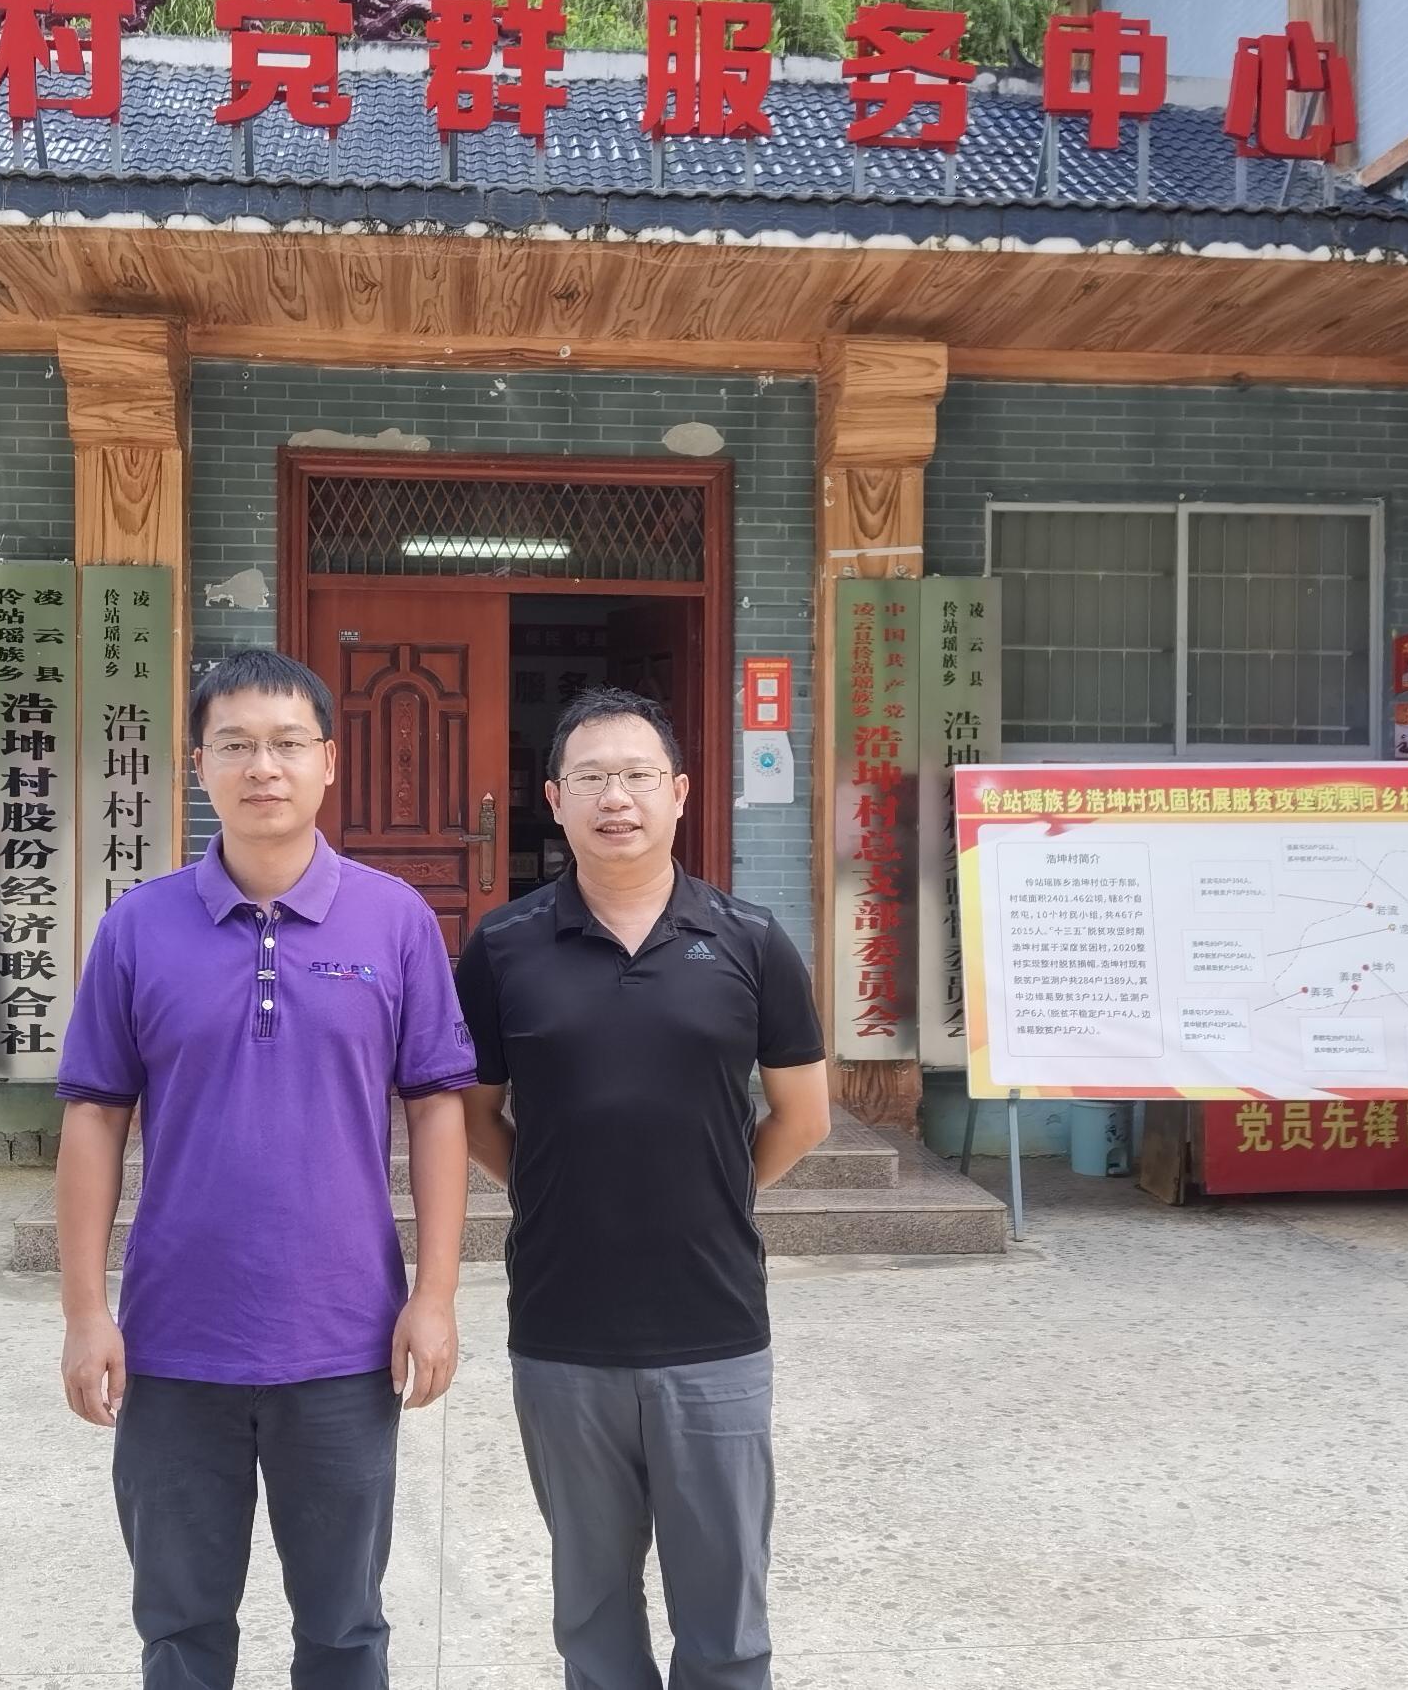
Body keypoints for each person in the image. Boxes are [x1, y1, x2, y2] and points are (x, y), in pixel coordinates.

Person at [54, 646, 476, 1690]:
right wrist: (84, 1310)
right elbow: (94, 1116)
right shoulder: (138, 926)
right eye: (236, 744)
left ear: (329, 759)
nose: (264, 766)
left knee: (343, 1628)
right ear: (198, 762)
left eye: (288, 743)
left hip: (342, 1338)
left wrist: (435, 1294)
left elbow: (436, 1106)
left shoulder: (394, 919)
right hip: (174, 1342)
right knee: (181, 1627)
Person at [455, 685, 833, 1690]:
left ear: (680, 792)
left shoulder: (751, 940)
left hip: (713, 1325)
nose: (614, 796)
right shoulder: (503, 947)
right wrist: (554, 1187)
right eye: (590, 776)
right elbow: (472, 1114)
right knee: (592, 1620)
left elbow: (804, 1115)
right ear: (553, 797)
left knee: (727, 1627)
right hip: (562, 1328)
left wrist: (715, 1189)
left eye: (636, 775)